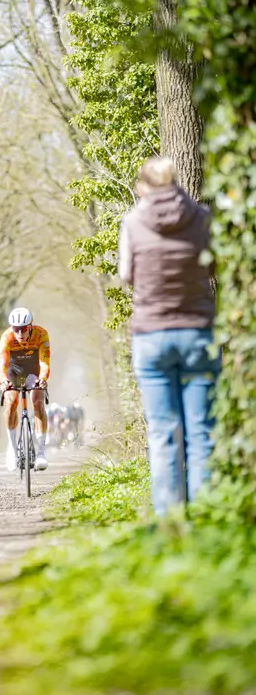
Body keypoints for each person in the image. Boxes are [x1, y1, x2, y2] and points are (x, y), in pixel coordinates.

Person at [118, 156, 220, 517]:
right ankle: (206, 519)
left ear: (143, 186)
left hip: (152, 335)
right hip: (197, 333)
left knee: (163, 432)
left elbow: (126, 274)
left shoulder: (133, 222)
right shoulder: (202, 217)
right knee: (202, 432)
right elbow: (213, 264)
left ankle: (170, 524)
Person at [0, 306, 50, 472]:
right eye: (16, 329)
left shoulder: (41, 334)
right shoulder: (7, 337)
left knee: (38, 402)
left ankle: (41, 453)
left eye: (24, 329)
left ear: (30, 326)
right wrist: (4, 381)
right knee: (11, 402)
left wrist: (43, 379)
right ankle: (12, 449)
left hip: (33, 371)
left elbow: (44, 362)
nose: (20, 333)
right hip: (13, 371)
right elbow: (2, 365)